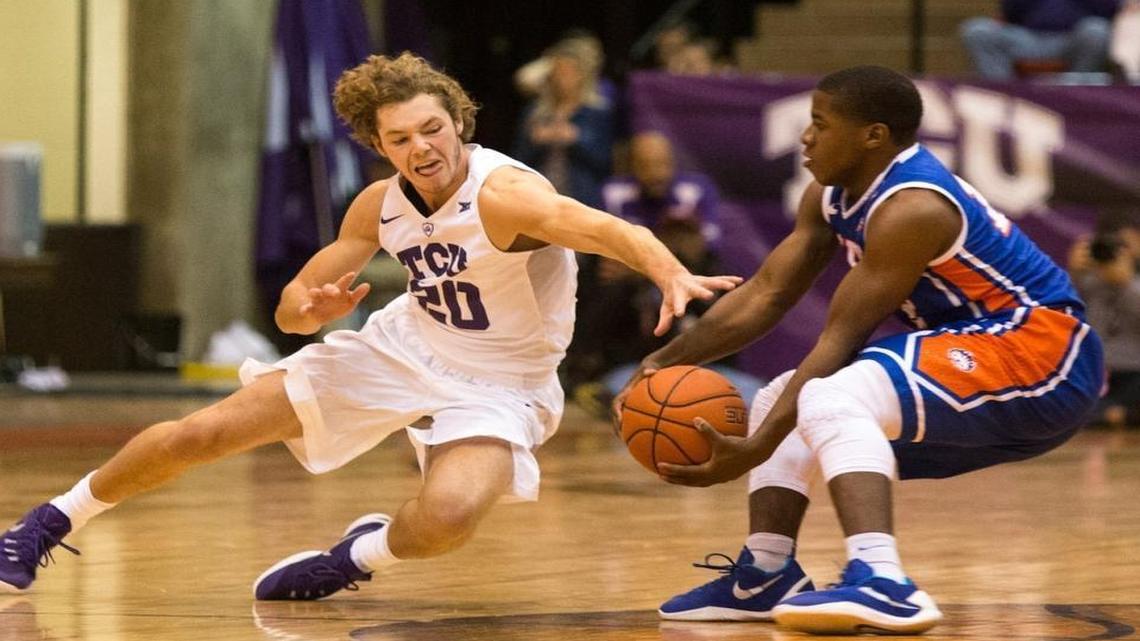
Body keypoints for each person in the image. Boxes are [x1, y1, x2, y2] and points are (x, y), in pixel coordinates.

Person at [0, 52, 741, 600]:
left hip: (502, 380)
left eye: (432, 128)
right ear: (378, 145)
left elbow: (604, 228)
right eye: (400, 138)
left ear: (459, 122)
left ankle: (355, 558)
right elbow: (295, 304)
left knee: (447, 517)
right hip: (404, 344)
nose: (422, 148)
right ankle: (46, 522)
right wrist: (307, 310)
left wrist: (666, 269)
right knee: (205, 431)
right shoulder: (378, 204)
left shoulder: (506, 193)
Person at [614, 66, 1103, 635]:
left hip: (1044, 351)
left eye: (820, 124)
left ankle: (884, 580)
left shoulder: (913, 207)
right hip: (977, 346)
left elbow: (840, 340)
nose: (806, 137)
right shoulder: (829, 194)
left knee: (829, 394)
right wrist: (663, 363)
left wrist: (750, 450)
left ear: (873, 136)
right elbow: (767, 294)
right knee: (781, 395)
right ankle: (765, 574)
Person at [512, 36, 615, 209]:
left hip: (582, 197)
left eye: (568, 72)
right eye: (557, 71)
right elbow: (518, 159)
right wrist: (535, 141)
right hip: (540, 196)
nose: (562, 78)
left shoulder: (597, 112)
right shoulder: (535, 113)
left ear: (582, 76)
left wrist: (576, 139)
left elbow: (606, 161)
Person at [1068, 211, 1140, 427]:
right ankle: (1114, 415)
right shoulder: (1089, 280)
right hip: (1095, 371)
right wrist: (1073, 273)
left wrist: (1126, 284)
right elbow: (1062, 315)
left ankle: (1112, 415)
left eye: (1123, 245)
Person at [959, 0, 1121, 80]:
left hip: (1073, 39)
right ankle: (1004, 93)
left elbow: (1109, 10)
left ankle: (1077, 94)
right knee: (976, 30)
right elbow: (1010, 11)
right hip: (1027, 37)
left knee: (1097, 30)